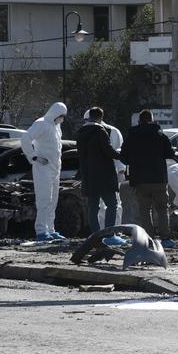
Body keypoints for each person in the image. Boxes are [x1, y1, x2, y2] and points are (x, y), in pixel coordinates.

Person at [120, 109, 176, 247]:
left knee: (144, 210)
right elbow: (169, 153)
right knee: (162, 209)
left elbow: (124, 157)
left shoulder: (132, 137)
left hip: (139, 180)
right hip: (159, 179)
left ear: (139, 121)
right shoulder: (160, 136)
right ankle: (165, 238)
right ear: (152, 120)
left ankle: (149, 238)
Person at [77, 107, 125, 246]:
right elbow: (108, 151)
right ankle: (109, 234)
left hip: (88, 175)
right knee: (112, 204)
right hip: (104, 175)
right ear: (100, 117)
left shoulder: (80, 133)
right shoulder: (101, 131)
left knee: (93, 207)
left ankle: (95, 237)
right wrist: (123, 156)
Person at [21, 102, 68, 242]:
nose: (62, 119)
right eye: (61, 116)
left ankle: (51, 230)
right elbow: (25, 138)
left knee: (53, 201)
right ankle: (41, 231)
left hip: (55, 168)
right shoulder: (41, 124)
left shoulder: (56, 127)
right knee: (44, 199)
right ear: (55, 113)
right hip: (43, 167)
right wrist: (33, 156)